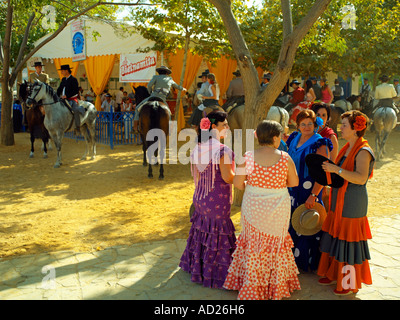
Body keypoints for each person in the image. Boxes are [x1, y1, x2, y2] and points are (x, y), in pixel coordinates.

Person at [223, 120, 301, 300]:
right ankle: (275, 286)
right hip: (278, 206)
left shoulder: (248, 157)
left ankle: (252, 286)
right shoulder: (284, 157)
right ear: (275, 138)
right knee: (276, 244)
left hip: (253, 207)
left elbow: (238, 184)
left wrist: (254, 184)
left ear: (258, 136)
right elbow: (294, 182)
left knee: (253, 245)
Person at [317, 110, 375, 296]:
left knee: (349, 243)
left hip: (352, 203)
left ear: (356, 129)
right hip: (338, 200)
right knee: (335, 239)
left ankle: (349, 283)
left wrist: (336, 170)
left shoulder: (364, 151)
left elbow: (360, 178)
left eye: (344, 125)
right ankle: (334, 274)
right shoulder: (348, 147)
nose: (339, 128)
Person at [179, 111, 236, 289]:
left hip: (201, 197)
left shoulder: (198, 147)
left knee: (203, 230)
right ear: (213, 127)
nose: (227, 128)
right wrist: (245, 173)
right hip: (217, 200)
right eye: (224, 125)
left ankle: (198, 267)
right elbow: (228, 177)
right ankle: (217, 274)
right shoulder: (222, 150)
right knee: (217, 234)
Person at [286, 109, 333, 272]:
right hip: (292, 188)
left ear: (315, 125)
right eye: (303, 124)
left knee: (306, 223)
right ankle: (290, 260)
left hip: (310, 189)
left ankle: (306, 262)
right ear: (297, 125)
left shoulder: (320, 143)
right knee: (292, 222)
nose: (306, 127)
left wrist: (313, 195)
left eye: (310, 124)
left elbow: (324, 173)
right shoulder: (294, 138)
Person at [133, 66, 186, 132]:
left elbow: (149, 86)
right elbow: (177, 86)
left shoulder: (155, 77)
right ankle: (169, 128)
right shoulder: (170, 79)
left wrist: (150, 92)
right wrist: (183, 88)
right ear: (167, 73)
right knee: (168, 113)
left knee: (137, 108)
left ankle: (135, 127)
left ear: (159, 72)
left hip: (153, 96)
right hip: (162, 98)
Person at [57, 64, 84, 135]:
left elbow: (75, 91)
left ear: (66, 71)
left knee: (75, 110)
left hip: (72, 99)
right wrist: (56, 95)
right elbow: (59, 89)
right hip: (62, 99)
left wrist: (67, 96)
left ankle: (77, 127)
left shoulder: (73, 79)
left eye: (62, 71)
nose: (61, 72)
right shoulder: (63, 79)